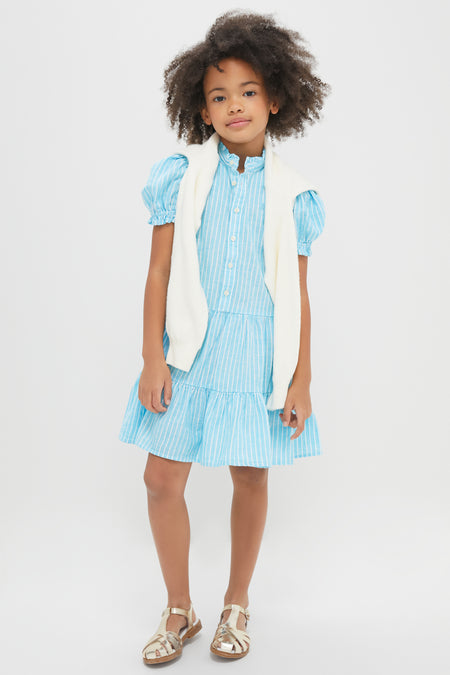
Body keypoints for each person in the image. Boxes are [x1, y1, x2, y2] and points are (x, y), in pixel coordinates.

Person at [118, 9, 331, 664]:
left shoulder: (295, 195)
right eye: (218, 96)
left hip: (256, 353)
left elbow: (298, 295)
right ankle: (179, 608)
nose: (234, 105)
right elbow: (158, 272)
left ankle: (236, 602)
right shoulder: (180, 176)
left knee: (250, 474)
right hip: (188, 349)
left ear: (275, 98)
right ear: (201, 109)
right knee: (160, 476)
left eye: (247, 91)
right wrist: (152, 356)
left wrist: (300, 379)